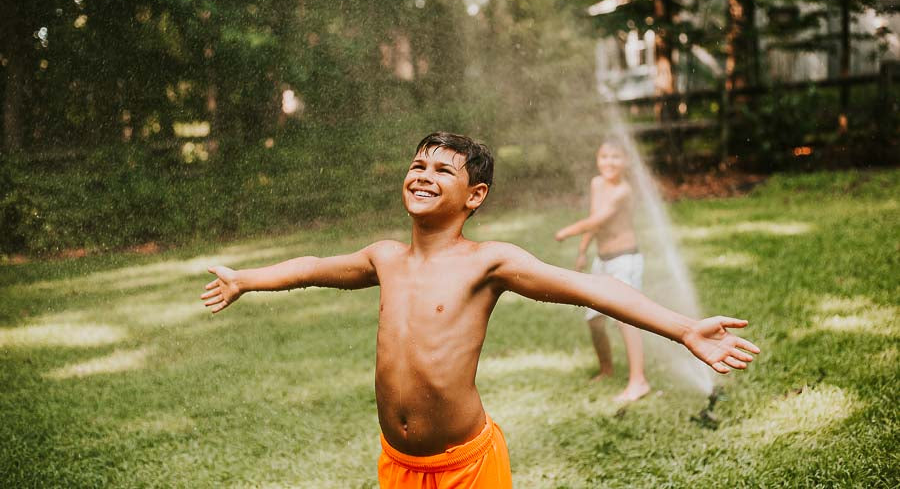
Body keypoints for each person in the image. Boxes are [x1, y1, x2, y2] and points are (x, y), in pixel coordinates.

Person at [201, 132, 760, 488]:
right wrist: (246, 279)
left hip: (468, 466)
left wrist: (684, 327)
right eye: (419, 164)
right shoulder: (385, 257)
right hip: (398, 463)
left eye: (444, 170)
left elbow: (592, 288)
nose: (424, 174)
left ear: (476, 195)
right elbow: (311, 266)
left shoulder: (487, 262)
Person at [554, 138, 649, 403]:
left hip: (624, 260)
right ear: (598, 159)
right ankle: (607, 369)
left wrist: (569, 232)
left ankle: (638, 381)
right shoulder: (598, 184)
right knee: (594, 320)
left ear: (626, 162)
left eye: (616, 157)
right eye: (605, 156)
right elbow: (596, 222)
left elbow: (598, 219)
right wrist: (584, 250)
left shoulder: (623, 191)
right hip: (603, 260)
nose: (609, 162)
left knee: (625, 319)